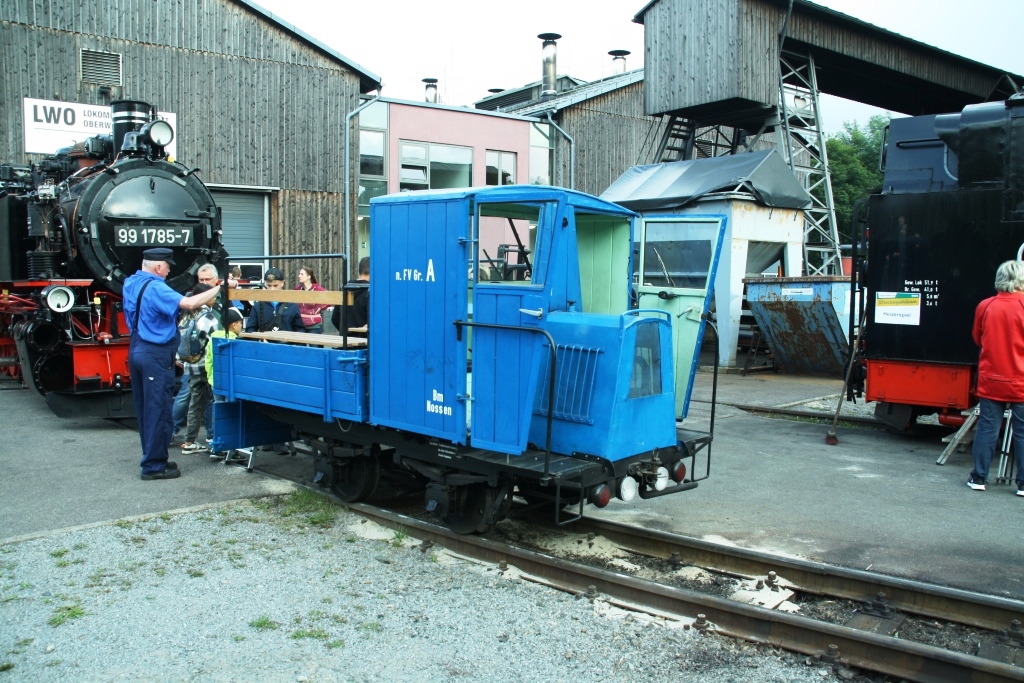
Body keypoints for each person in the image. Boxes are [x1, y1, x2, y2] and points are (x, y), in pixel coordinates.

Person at [123, 248, 234, 480]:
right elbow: (189, 303)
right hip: (155, 352)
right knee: (158, 409)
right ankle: (154, 466)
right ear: (158, 267)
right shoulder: (155, 287)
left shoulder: (131, 282)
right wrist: (220, 287)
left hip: (137, 348)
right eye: (168, 266)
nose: (169, 270)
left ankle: (154, 457)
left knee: (145, 409)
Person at [968, 260, 1024, 496]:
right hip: (1021, 380)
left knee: (988, 429)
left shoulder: (986, 305)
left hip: (991, 379)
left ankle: (979, 477)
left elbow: (977, 338)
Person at [180, 283, 220, 454]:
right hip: (206, 366)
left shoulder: (186, 315)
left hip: (190, 366)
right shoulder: (208, 317)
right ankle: (213, 438)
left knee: (195, 403)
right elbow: (215, 341)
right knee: (214, 402)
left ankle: (189, 441)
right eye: (212, 295)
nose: (215, 298)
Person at [205, 307, 246, 463]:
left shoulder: (213, 338)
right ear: (234, 324)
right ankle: (231, 449)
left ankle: (217, 446)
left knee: (219, 412)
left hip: (216, 382)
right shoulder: (234, 341)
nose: (241, 327)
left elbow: (209, 361)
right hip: (231, 386)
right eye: (240, 324)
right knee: (232, 414)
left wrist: (211, 378)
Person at [246, 267, 305, 333]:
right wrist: (259, 340)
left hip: (286, 342)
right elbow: (250, 329)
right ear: (265, 284)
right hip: (265, 343)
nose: (272, 289)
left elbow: (300, 330)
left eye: (275, 285)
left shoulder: (292, 305)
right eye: (269, 285)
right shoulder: (258, 306)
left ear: (282, 283)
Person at [332, 256, 369, 335]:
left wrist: (345, 332)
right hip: (364, 341)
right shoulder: (370, 291)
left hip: (345, 340)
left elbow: (335, 318)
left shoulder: (345, 288)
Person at [295, 264, 327, 333]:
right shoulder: (297, 289)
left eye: (302, 274)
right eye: (299, 274)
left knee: (315, 344)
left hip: (314, 324)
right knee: (299, 343)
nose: (299, 276)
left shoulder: (317, 289)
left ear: (308, 277)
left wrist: (321, 307)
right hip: (300, 323)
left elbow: (331, 298)